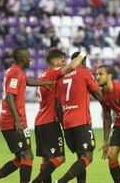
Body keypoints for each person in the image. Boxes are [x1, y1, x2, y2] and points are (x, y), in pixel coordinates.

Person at [0, 47, 53, 183]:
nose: (31, 59)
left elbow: (27, 81)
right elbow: (9, 97)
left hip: (13, 120)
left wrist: (45, 83)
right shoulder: (15, 73)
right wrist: (18, 122)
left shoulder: (17, 72)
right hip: (13, 122)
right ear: (23, 58)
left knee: (20, 158)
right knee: (28, 156)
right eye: (28, 56)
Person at [31, 48, 87, 183]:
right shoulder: (52, 73)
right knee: (59, 158)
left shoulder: (42, 75)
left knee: (46, 160)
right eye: (62, 61)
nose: (64, 63)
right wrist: (83, 54)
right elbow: (72, 66)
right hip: (50, 122)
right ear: (55, 61)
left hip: (39, 122)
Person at [54, 51, 103, 183]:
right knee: (88, 156)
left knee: (80, 158)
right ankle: (61, 181)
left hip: (67, 122)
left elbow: (57, 105)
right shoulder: (85, 72)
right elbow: (99, 95)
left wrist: (63, 124)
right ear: (83, 61)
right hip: (81, 121)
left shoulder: (61, 77)